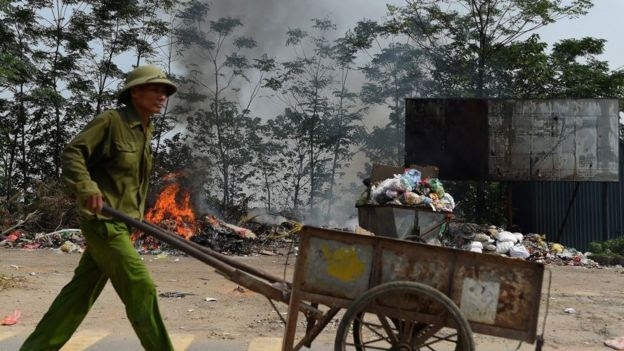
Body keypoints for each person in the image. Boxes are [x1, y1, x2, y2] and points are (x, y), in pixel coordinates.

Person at [20, 65, 177, 351]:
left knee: (78, 296)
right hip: (104, 223)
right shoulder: (111, 121)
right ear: (135, 92)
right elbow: (73, 153)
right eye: (155, 88)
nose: (162, 95)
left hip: (123, 223)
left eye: (164, 90)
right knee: (141, 287)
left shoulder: (145, 129)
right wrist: (88, 189)